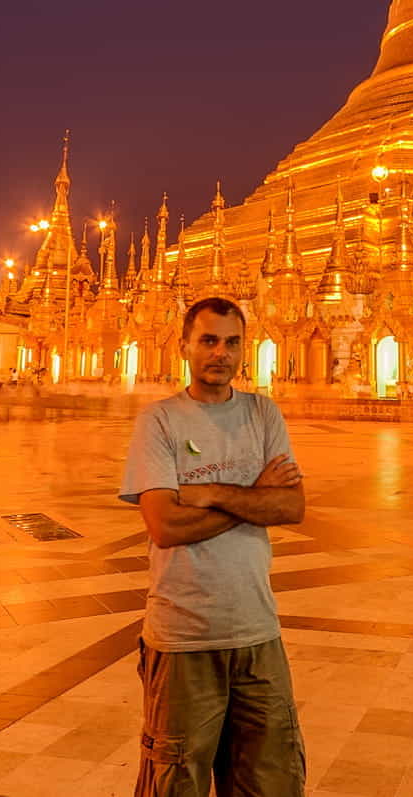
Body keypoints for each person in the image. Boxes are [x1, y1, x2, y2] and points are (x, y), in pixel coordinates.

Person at [120, 296, 306, 797]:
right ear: (184, 346)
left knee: (272, 780)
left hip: (257, 633)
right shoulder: (159, 422)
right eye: (208, 340)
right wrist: (253, 494)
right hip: (183, 636)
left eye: (231, 343)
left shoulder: (263, 413)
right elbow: (165, 526)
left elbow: (290, 508)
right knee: (174, 781)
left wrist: (208, 494)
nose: (220, 353)